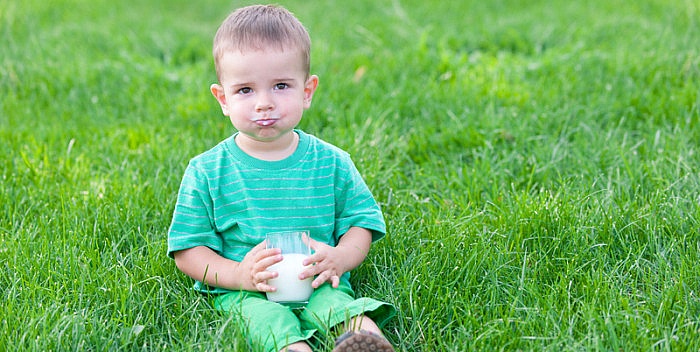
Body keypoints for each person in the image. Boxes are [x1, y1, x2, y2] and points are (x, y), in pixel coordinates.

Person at [167, 5, 396, 352]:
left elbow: (360, 224)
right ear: (222, 98)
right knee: (268, 323)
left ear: (307, 91)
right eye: (245, 90)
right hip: (247, 291)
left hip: (319, 280)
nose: (264, 103)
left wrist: (341, 257)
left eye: (280, 86)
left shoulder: (332, 163)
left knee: (341, 309)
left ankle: (366, 343)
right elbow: (189, 250)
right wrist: (237, 275)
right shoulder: (207, 171)